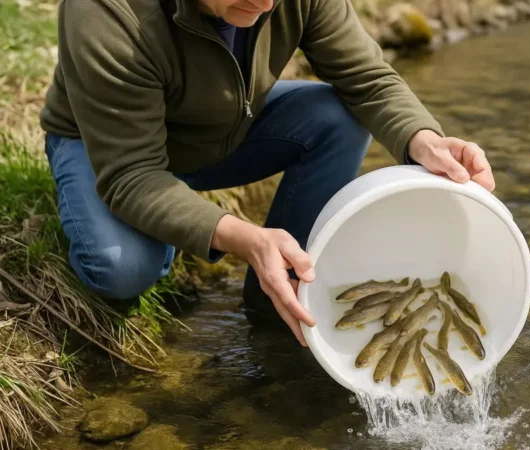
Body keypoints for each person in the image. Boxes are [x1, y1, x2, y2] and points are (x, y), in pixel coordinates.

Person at [39, 0, 496, 347]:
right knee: (124, 269)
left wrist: (425, 139)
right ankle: (162, 235)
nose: (264, 4)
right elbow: (132, 175)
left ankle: (279, 292)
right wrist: (242, 237)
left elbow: (369, 79)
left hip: (223, 127)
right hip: (107, 146)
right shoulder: (105, 12)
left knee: (337, 116)